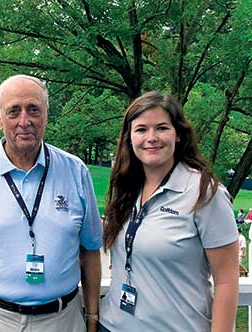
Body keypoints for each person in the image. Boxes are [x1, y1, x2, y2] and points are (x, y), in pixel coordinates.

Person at [0, 75, 102, 332]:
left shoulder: (75, 171)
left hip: (63, 320)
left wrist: (92, 317)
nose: (24, 121)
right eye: (13, 111)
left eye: (33, 109)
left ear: (46, 115)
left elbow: (91, 250)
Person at [99, 91, 238, 331]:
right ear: (129, 139)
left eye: (162, 128)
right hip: (113, 325)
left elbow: (226, 280)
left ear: (179, 136)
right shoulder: (128, 189)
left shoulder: (204, 193)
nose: (151, 138)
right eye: (141, 129)